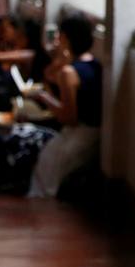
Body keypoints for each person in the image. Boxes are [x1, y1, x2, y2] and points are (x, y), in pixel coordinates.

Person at [28, 15, 103, 197]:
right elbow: (49, 74)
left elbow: (68, 117)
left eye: (59, 36)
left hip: (81, 133)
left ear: (65, 38)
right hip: (94, 133)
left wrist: (43, 96)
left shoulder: (69, 73)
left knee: (48, 168)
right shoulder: (91, 63)